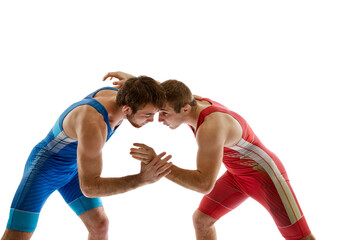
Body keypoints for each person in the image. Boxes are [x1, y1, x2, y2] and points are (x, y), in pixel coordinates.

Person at [105, 72, 315, 240]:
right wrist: (133, 82)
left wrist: (156, 164)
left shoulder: (211, 128)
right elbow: (170, 91)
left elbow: (204, 184)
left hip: (265, 176)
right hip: (237, 175)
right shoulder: (191, 101)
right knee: (202, 220)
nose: (160, 119)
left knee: (300, 237)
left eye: (165, 113)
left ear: (185, 108)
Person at [2, 71, 172, 240]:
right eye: (148, 115)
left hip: (76, 168)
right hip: (44, 171)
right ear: (127, 109)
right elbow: (89, 187)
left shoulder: (126, 96)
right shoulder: (93, 123)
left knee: (100, 225)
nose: (152, 120)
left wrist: (134, 80)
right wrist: (141, 179)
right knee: (18, 234)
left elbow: (166, 94)